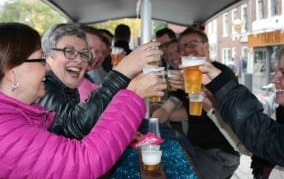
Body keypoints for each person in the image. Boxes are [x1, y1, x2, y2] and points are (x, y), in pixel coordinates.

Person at [0, 22, 148, 178]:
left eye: (84, 54)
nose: (47, 66)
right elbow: (82, 162)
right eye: (41, 59)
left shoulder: (19, 112)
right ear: (11, 73)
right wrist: (131, 92)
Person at [37, 23, 165, 139]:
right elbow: (72, 127)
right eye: (69, 51)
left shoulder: (65, 85)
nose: (79, 60)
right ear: (46, 55)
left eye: (83, 54)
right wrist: (121, 73)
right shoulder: (41, 85)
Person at [199, 46, 284, 178]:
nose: (274, 79)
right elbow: (250, 144)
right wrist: (211, 109)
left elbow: (265, 139)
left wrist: (221, 84)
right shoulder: (279, 112)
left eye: (283, 73)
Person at [178, 27, 240, 179]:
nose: (187, 50)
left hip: (220, 153)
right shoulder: (188, 75)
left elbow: (227, 108)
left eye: (192, 44)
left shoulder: (221, 73)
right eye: (183, 47)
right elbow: (184, 112)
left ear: (206, 46)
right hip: (196, 148)